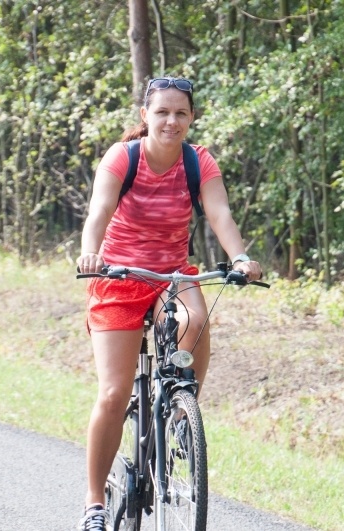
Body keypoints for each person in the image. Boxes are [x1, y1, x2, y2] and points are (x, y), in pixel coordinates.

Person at [75, 76, 262, 531]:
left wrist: (240, 257)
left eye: (181, 113)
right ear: (145, 116)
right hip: (118, 276)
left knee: (195, 320)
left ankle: (179, 407)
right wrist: (91, 253)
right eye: (162, 112)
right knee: (115, 393)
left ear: (191, 118)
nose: (171, 121)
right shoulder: (124, 157)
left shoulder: (199, 162)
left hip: (171, 275)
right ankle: (95, 503)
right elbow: (99, 210)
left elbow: (219, 213)